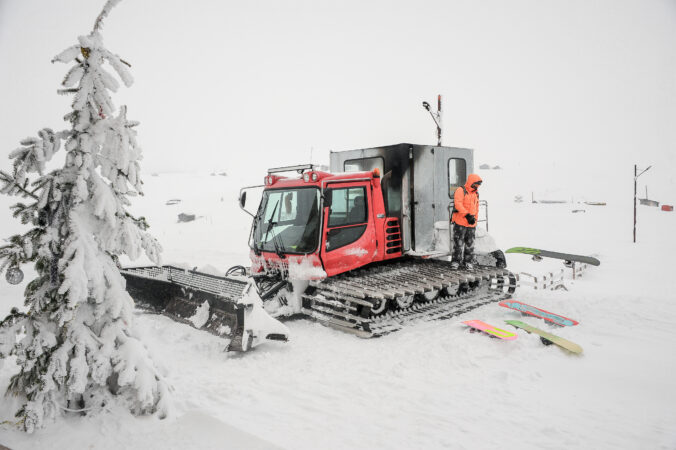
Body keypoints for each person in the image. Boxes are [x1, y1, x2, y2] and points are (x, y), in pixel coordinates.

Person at [450, 174, 482, 270]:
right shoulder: (461, 190)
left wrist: (474, 219)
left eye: (478, 185)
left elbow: (476, 208)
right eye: (476, 184)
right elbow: (458, 204)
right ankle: (456, 262)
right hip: (460, 221)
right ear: (471, 182)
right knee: (458, 243)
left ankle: (468, 262)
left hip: (471, 223)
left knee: (470, 243)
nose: (477, 186)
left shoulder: (476, 193)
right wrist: (467, 215)